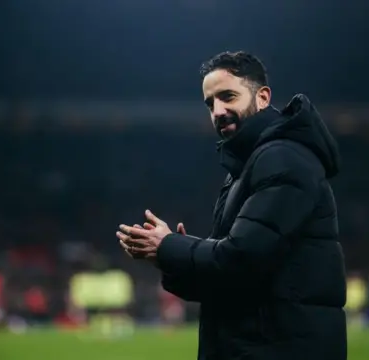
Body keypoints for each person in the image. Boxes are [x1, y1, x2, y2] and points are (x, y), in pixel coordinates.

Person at [117, 51, 346, 359]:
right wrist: (168, 255)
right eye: (210, 103)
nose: (218, 111)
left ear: (262, 97)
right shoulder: (247, 168)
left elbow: (241, 258)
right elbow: (231, 281)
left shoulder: (282, 158)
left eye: (228, 96)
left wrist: (171, 246)